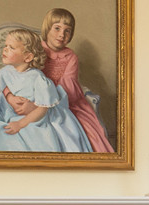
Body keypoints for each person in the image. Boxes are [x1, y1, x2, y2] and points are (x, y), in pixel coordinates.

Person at [0, 28, 91, 153]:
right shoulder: (4, 72)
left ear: (28, 57)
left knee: (29, 132)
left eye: (11, 48)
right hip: (10, 111)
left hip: (32, 116)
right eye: (6, 46)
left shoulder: (37, 78)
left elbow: (42, 110)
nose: (5, 50)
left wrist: (21, 124)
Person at [37, 8, 112, 152]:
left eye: (67, 31)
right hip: (36, 99)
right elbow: (27, 75)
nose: (62, 34)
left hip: (65, 101)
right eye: (57, 28)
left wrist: (51, 99)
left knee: (85, 131)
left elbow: (68, 88)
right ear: (47, 29)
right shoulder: (36, 50)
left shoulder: (71, 57)